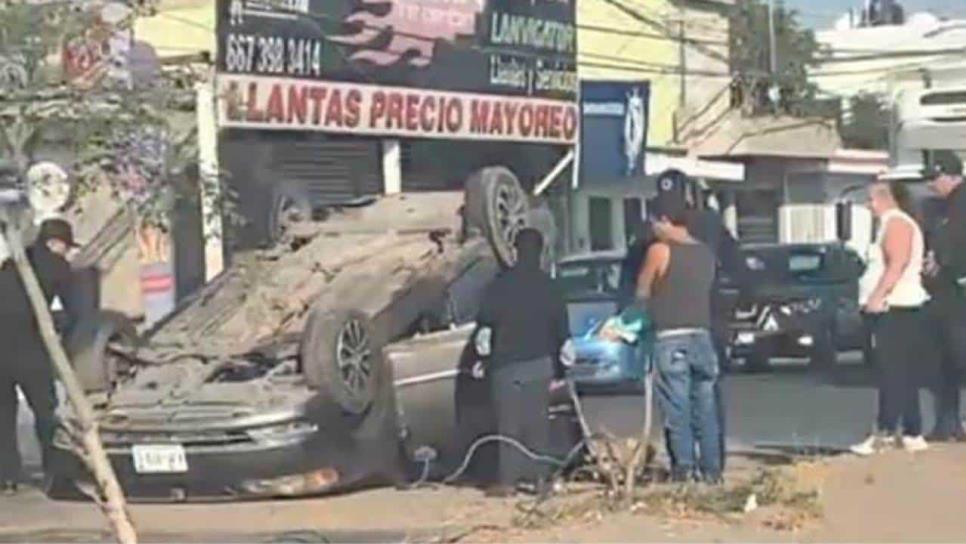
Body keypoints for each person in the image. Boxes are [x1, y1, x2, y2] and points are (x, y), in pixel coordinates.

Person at [476, 228, 570, 496]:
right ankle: (541, 481)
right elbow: (562, 333)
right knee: (538, 424)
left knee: (508, 425)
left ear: (516, 250)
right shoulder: (550, 287)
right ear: (540, 253)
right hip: (540, 365)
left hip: (506, 366)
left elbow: (484, 329)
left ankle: (508, 482)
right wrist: (561, 370)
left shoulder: (499, 285)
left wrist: (483, 360)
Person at [637, 194, 721, 483]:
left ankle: (683, 470)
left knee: (677, 408)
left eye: (653, 221)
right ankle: (712, 470)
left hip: (671, 338)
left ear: (664, 220)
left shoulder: (660, 251)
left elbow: (643, 292)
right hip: (702, 336)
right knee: (706, 408)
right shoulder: (706, 253)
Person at [850, 180, 931, 455]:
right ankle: (912, 431)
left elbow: (898, 262)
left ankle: (884, 433)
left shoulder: (896, 223)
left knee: (892, 372)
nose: (868, 206)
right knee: (902, 373)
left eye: (870, 200)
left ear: (884, 199)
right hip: (895, 307)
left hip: (895, 308)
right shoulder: (890, 224)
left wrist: (877, 295)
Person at [0, 218, 77, 494]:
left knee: (3, 415)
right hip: (29, 347)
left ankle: (7, 476)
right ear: (57, 244)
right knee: (46, 411)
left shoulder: (11, 264)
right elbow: (76, 310)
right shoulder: (57, 265)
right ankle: (57, 474)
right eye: (66, 248)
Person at [922, 151, 966, 442]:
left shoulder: (961, 203)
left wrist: (942, 264)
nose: (931, 185)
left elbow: (957, 244)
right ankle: (947, 424)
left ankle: (950, 423)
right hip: (946, 293)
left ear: (950, 175)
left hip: (958, 292)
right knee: (945, 361)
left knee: (957, 357)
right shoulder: (945, 206)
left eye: (934, 178)